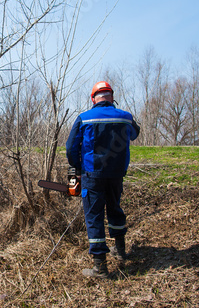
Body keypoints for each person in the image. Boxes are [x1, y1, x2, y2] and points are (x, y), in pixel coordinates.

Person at [66, 81, 140, 278]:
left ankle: (100, 267)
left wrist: (77, 168)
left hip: (92, 175)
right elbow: (135, 134)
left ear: (93, 99)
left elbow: (70, 148)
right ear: (112, 97)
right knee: (115, 208)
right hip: (116, 175)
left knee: (94, 217)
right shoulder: (126, 118)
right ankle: (121, 251)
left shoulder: (84, 118)